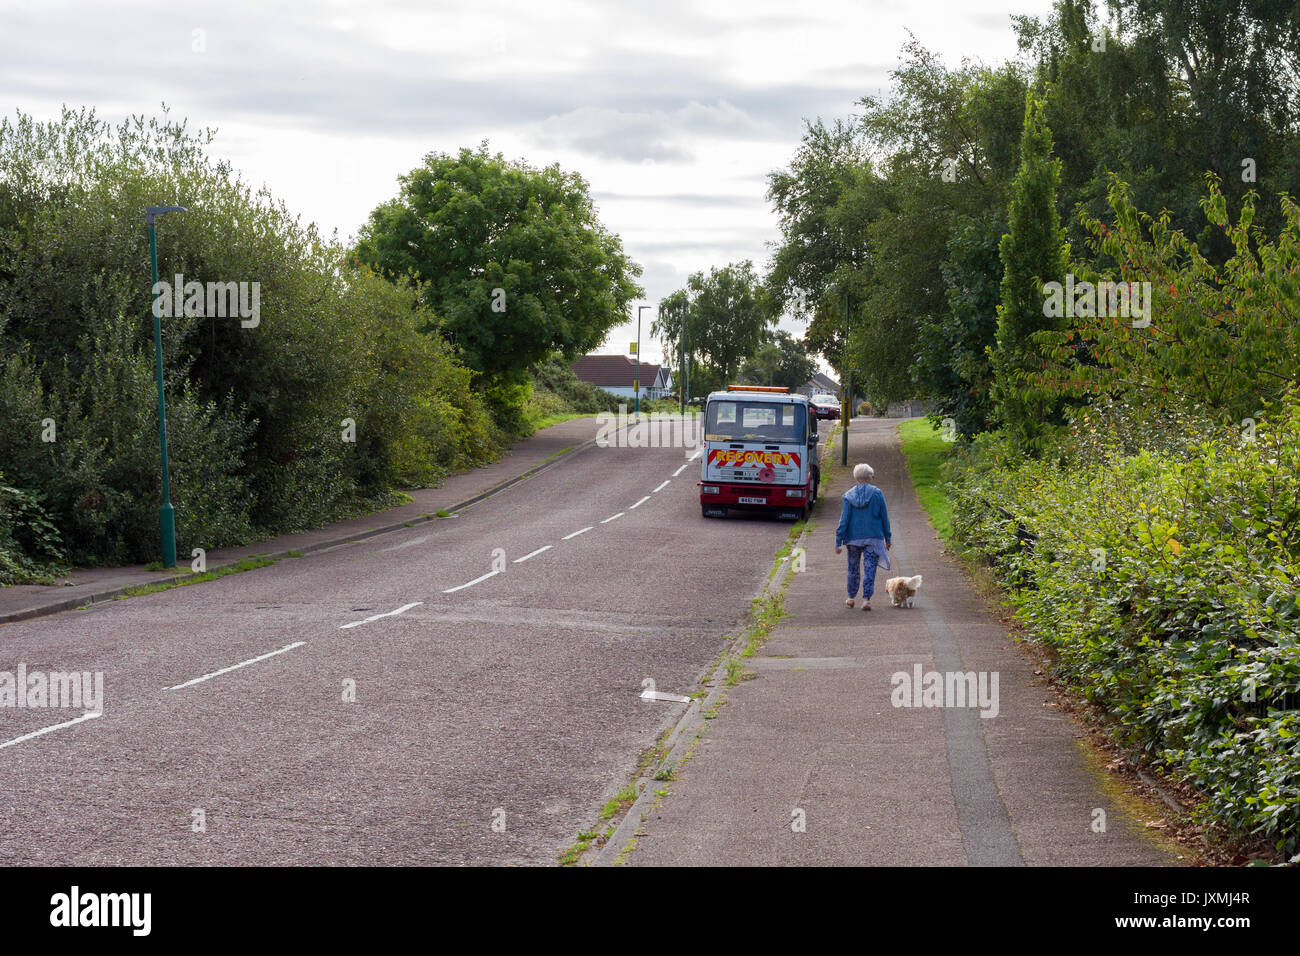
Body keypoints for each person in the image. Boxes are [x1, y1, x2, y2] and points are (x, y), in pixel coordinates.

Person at [834, 463, 891, 610]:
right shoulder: (877, 493)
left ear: (856, 477)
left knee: (852, 568)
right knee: (870, 568)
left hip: (853, 538)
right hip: (873, 538)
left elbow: (844, 520)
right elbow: (884, 517)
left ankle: (851, 597)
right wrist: (888, 538)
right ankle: (866, 600)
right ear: (870, 477)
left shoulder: (848, 496)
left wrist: (838, 541)